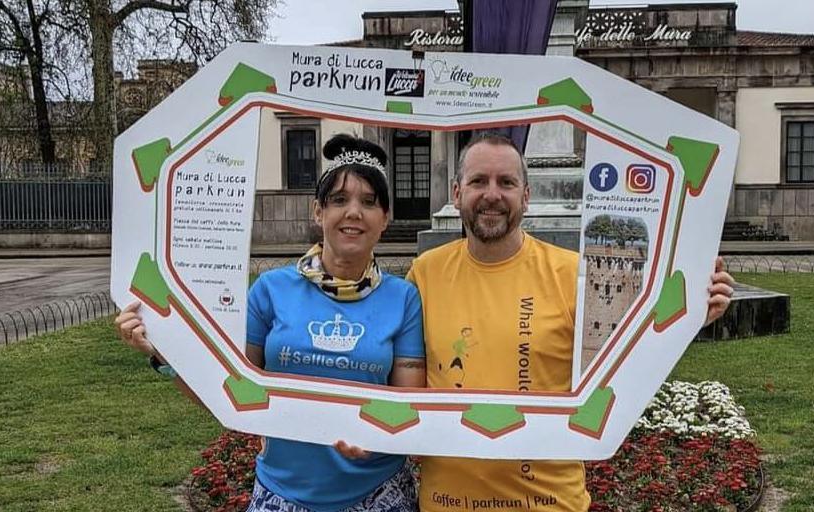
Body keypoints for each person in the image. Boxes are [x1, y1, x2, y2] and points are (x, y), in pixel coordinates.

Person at [405, 132, 734, 511]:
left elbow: (633, 352)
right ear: (457, 192)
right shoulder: (425, 274)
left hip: (549, 503)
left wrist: (694, 310)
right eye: (479, 181)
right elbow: (397, 376)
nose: (492, 194)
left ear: (526, 197)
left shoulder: (575, 274)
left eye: (506, 183)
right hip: (446, 503)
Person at [115, 134, 426, 512]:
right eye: (339, 200)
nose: (354, 212)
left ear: (385, 218)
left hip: (378, 495)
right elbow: (227, 393)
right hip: (283, 495)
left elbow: (409, 402)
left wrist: (378, 436)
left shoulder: (403, 298)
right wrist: (164, 355)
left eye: (369, 202)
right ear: (318, 212)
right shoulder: (271, 290)